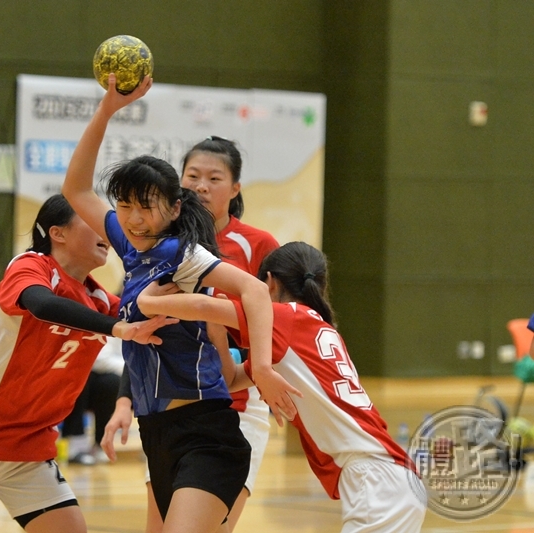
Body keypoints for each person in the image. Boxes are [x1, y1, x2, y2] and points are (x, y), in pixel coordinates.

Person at [62, 74, 300, 532]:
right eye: (124, 205)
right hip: (158, 431)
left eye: (145, 206)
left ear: (174, 208)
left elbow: (254, 291)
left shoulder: (181, 253)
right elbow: (75, 189)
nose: (131, 217)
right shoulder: (134, 249)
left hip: (206, 429)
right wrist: (107, 110)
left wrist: (265, 368)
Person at [0, 194, 176, 533]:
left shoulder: (99, 300)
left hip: (26, 449)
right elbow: (41, 304)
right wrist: (119, 328)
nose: (108, 229)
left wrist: (125, 399)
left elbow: (143, 341)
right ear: (58, 233)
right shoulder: (29, 266)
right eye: (94, 219)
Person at [136, 241, 428, 533]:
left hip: (376, 478)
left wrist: (146, 302)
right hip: (385, 476)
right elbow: (232, 381)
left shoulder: (285, 317)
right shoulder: (315, 330)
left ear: (269, 283)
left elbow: (204, 305)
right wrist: (219, 338)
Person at [105, 136, 281, 531]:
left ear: (235, 189)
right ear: (178, 191)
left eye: (214, 178)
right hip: (163, 410)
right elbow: (144, 337)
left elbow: (284, 318)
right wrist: (123, 399)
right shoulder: (150, 248)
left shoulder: (256, 245)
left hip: (230, 402)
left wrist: (261, 369)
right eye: (193, 176)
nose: (202, 185)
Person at [61, 336, 123, 465]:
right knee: (80, 378)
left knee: (111, 383)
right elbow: (100, 360)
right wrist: (132, 369)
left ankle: (100, 443)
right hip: (74, 375)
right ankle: (75, 445)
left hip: (109, 377)